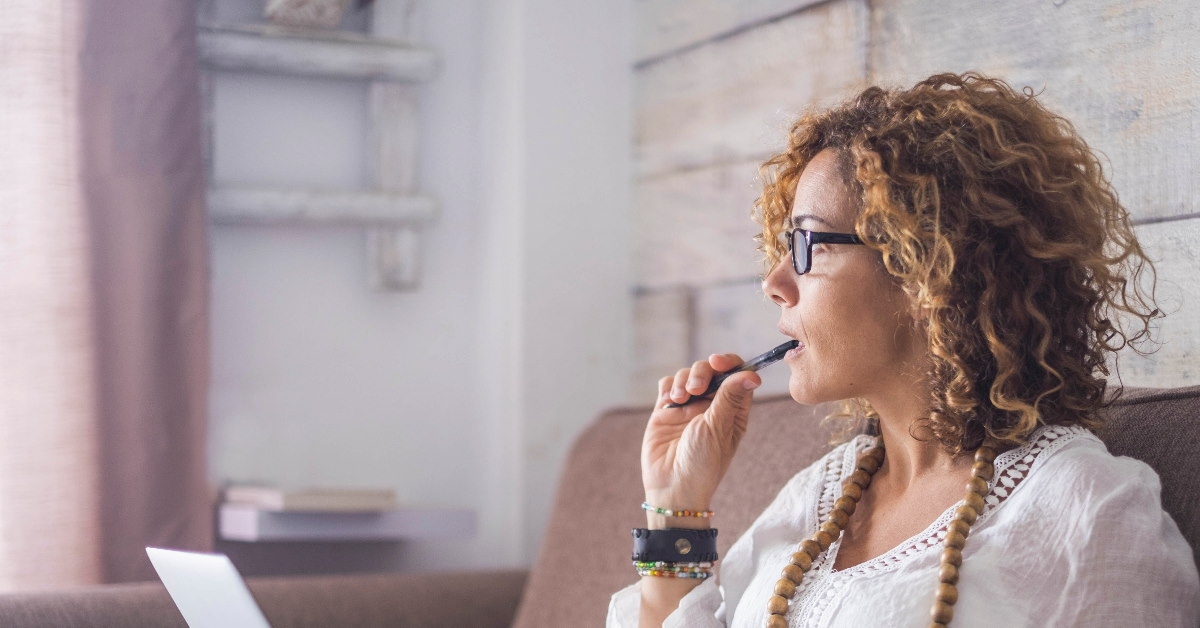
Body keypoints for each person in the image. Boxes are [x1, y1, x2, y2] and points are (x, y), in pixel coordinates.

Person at [607, 73, 1200, 627]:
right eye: (782, 247)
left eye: (808, 245)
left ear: (926, 268)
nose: (774, 283)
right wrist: (674, 505)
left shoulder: (1084, 509)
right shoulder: (817, 497)